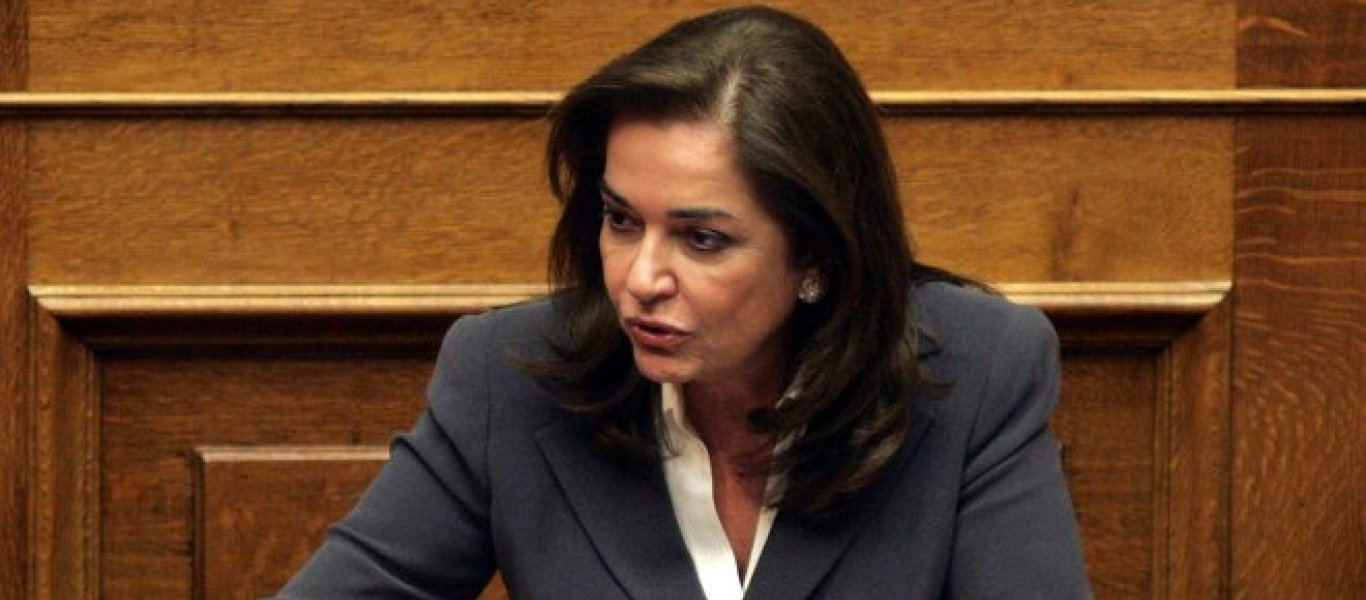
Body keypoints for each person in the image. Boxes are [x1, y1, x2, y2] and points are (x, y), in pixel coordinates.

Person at [274, 5, 1091, 599]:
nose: (641, 278)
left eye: (702, 239)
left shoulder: (978, 372)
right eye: (621, 221)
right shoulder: (510, 377)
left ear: (816, 254)